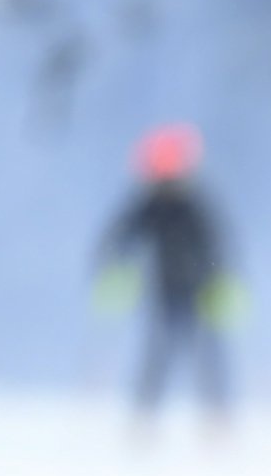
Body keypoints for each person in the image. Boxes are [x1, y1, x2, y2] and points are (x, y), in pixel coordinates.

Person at [95, 122, 235, 427]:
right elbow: (122, 234)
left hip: (199, 290)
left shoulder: (193, 205)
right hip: (165, 289)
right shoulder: (150, 205)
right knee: (159, 354)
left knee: (205, 354)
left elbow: (214, 245)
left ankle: (217, 414)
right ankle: (146, 414)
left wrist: (219, 280)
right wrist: (113, 261)